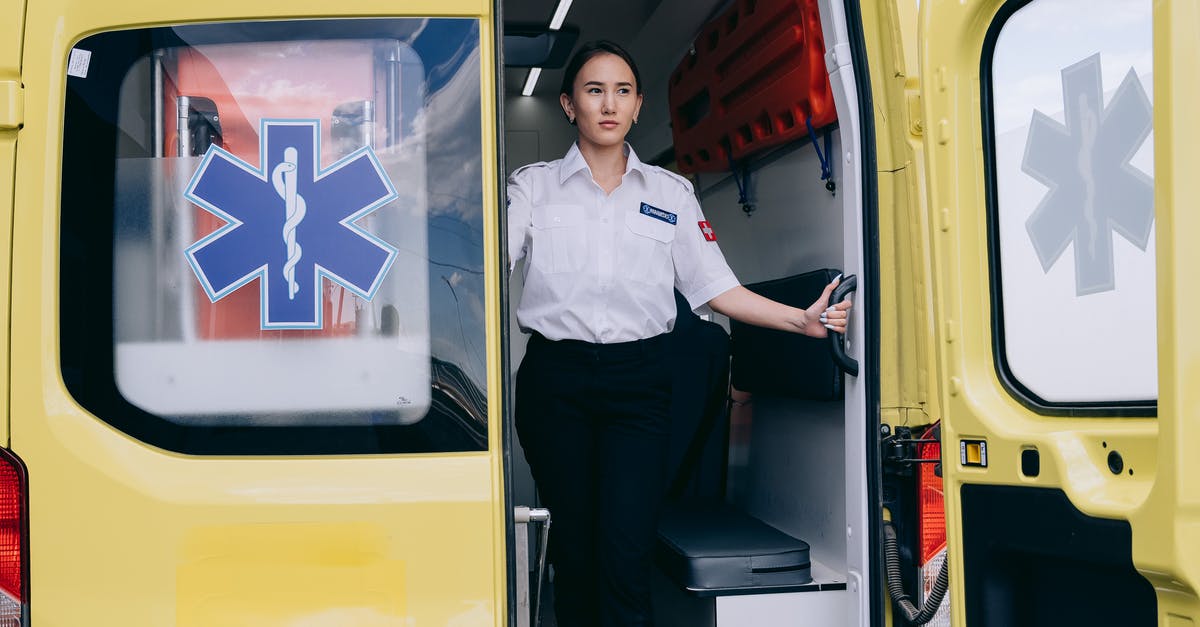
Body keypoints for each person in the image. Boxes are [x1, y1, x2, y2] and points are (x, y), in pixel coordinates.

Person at [506, 40, 852, 627]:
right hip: (555, 382)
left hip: (639, 384)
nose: (608, 104)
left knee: (627, 547)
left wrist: (801, 319)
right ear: (569, 105)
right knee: (574, 546)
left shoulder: (670, 194)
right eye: (594, 91)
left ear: (639, 105)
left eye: (622, 91)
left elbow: (718, 289)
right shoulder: (532, 187)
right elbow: (492, 267)